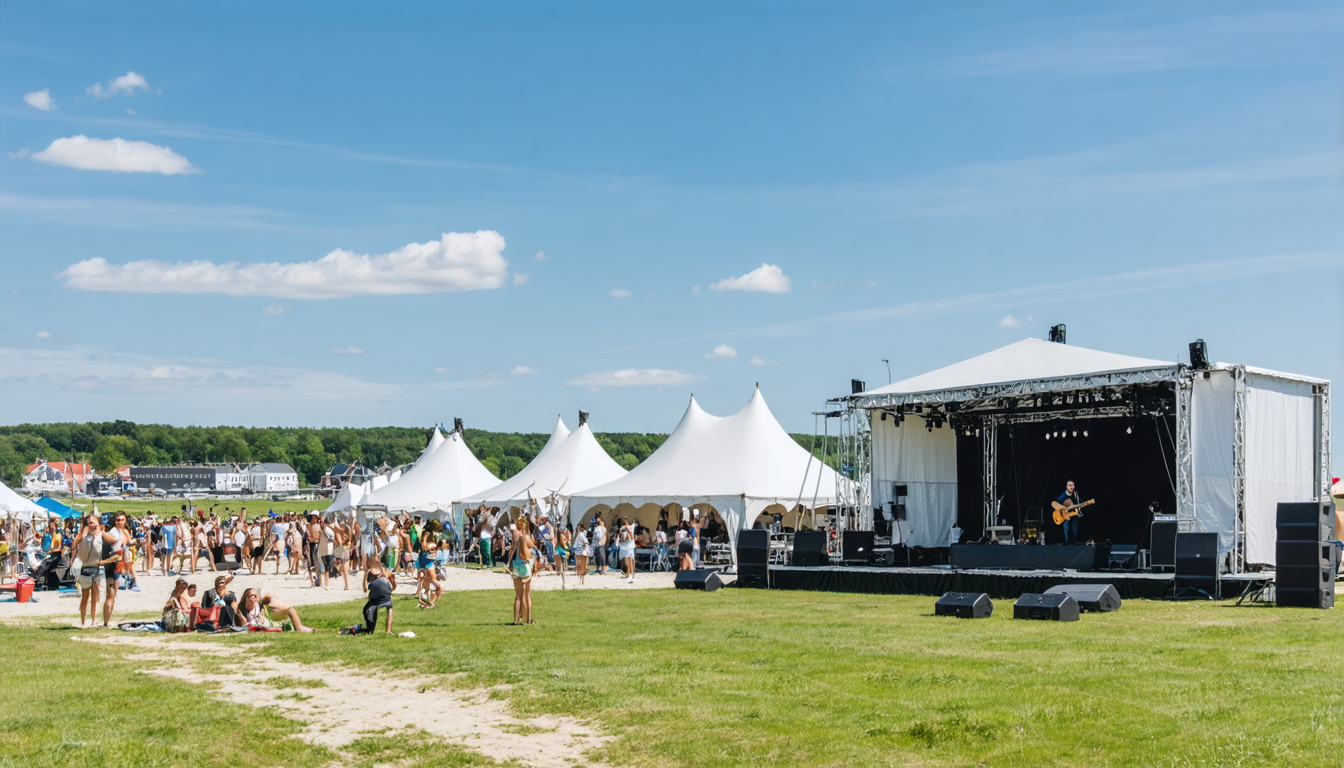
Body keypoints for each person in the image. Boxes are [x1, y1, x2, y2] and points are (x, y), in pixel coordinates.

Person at [73, 515, 118, 628]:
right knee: (85, 596)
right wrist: (84, 532)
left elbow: (112, 540)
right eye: (89, 522)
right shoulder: (83, 535)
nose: (92, 524)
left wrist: (102, 531)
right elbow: (75, 544)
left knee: (96, 597)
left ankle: (94, 620)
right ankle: (83, 621)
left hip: (98, 567)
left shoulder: (101, 534)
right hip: (86, 567)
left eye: (94, 522)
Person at [239, 588, 313, 631]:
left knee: (290, 609)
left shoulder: (259, 606)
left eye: (255, 596)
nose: (253, 598)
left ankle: (299, 627)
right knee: (289, 610)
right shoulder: (241, 611)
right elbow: (243, 625)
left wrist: (266, 599)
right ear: (245, 598)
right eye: (250, 596)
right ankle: (299, 628)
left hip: (266, 624)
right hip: (261, 626)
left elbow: (266, 598)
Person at [507, 518, 536, 624]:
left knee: (518, 597)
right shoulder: (526, 537)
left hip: (516, 567)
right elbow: (533, 548)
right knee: (527, 595)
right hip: (525, 567)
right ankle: (528, 619)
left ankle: (515, 621)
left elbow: (512, 552)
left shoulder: (517, 538)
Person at [361, 563, 396, 634]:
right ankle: (388, 630)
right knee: (389, 606)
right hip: (385, 599)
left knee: (368, 610)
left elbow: (365, 589)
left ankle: (371, 628)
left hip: (374, 601)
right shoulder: (385, 579)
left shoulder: (373, 582)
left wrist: (365, 575)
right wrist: (392, 579)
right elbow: (393, 588)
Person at [416, 521, 442, 608]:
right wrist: (430, 544)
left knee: (428, 580)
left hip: (427, 558)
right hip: (426, 558)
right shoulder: (427, 533)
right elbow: (424, 547)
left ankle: (427, 602)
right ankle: (429, 601)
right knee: (431, 580)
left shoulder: (429, 533)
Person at [1053, 480, 1084, 545]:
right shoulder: (1062, 496)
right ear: (1066, 486)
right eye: (1070, 485)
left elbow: (1077, 504)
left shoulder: (1075, 495)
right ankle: (1067, 542)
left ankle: (1074, 541)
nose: (1072, 487)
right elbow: (1055, 504)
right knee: (1066, 524)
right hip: (1064, 515)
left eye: (1073, 485)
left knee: (1075, 523)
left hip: (1072, 515)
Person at [617, 517, 636, 583]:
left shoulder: (625, 528)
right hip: (630, 546)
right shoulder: (631, 527)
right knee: (631, 559)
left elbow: (624, 537)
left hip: (627, 546)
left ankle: (628, 574)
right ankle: (631, 573)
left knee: (627, 560)